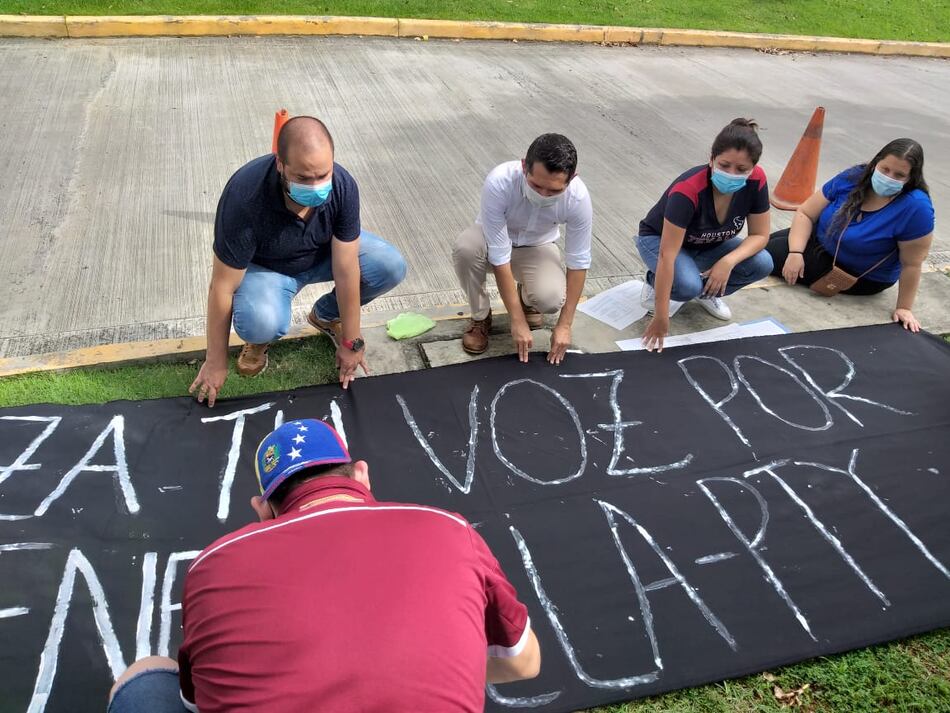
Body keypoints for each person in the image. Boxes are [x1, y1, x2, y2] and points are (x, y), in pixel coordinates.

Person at [106, 419, 540, 713]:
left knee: (143, 680)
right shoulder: (447, 528)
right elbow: (524, 664)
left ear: (263, 510)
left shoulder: (211, 565)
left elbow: (199, 698)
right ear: (361, 475)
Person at [189, 116, 407, 405]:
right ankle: (258, 342)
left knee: (390, 266)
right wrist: (215, 360)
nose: (316, 187)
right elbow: (222, 287)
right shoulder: (244, 197)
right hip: (268, 269)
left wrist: (352, 342)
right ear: (280, 164)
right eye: (304, 178)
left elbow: (346, 267)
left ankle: (326, 315)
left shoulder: (342, 185)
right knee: (261, 322)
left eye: (323, 175)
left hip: (322, 254)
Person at [766, 138, 935, 332]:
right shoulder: (854, 177)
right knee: (765, 243)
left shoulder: (916, 208)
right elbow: (805, 213)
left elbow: (912, 264)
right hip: (821, 240)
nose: (889, 178)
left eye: (899, 175)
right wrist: (795, 253)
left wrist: (904, 308)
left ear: (911, 179)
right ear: (875, 163)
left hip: (856, 272)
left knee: (763, 256)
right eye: (885, 169)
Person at [452, 133, 593, 364]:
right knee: (466, 248)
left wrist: (565, 325)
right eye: (536, 185)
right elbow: (499, 255)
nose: (543, 195)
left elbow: (579, 261)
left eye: (554, 191)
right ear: (523, 166)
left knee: (550, 299)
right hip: (492, 239)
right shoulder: (499, 181)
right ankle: (480, 317)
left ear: (571, 178)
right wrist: (515, 320)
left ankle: (528, 299)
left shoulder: (578, 198)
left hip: (538, 245)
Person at [637, 118, 774, 353]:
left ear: (753, 168)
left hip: (711, 242)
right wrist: (661, 317)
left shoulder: (756, 181)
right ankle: (653, 282)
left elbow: (761, 235)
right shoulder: (688, 190)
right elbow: (667, 255)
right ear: (711, 159)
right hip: (660, 241)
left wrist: (727, 262)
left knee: (763, 262)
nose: (731, 174)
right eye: (724, 165)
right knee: (686, 286)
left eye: (741, 170)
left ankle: (707, 291)